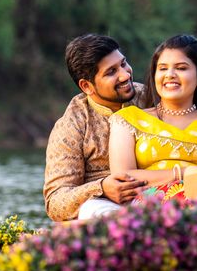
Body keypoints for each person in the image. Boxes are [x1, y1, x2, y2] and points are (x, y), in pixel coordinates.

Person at [108, 34, 197, 202]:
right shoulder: (128, 119)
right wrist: (189, 176)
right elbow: (124, 177)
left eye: (181, 68)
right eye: (162, 68)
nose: (170, 74)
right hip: (149, 200)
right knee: (188, 196)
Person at [44, 34, 149, 221]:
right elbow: (55, 202)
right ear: (87, 86)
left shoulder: (150, 99)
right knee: (94, 210)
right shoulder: (72, 127)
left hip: (160, 194)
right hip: (106, 211)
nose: (125, 75)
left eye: (123, 64)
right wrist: (102, 188)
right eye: (111, 72)